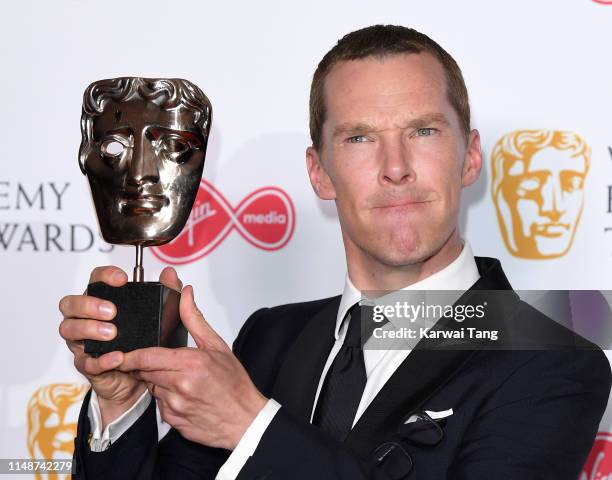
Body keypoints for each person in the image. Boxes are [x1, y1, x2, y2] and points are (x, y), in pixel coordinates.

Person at [59, 25, 611, 479]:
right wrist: (122, 400)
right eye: (360, 138)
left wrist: (253, 426)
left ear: (469, 158)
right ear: (318, 173)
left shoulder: (551, 362)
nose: (396, 167)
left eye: (423, 131)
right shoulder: (268, 340)